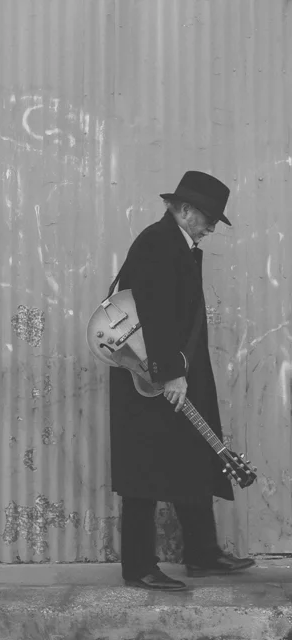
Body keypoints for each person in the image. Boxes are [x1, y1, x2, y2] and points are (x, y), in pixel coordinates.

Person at [109, 170, 255, 591]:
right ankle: (138, 567)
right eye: (208, 219)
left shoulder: (176, 244)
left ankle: (202, 554)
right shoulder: (158, 242)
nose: (211, 228)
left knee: (191, 455)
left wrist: (179, 372)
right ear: (185, 209)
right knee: (144, 467)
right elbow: (153, 312)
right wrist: (172, 374)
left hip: (172, 372)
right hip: (151, 377)